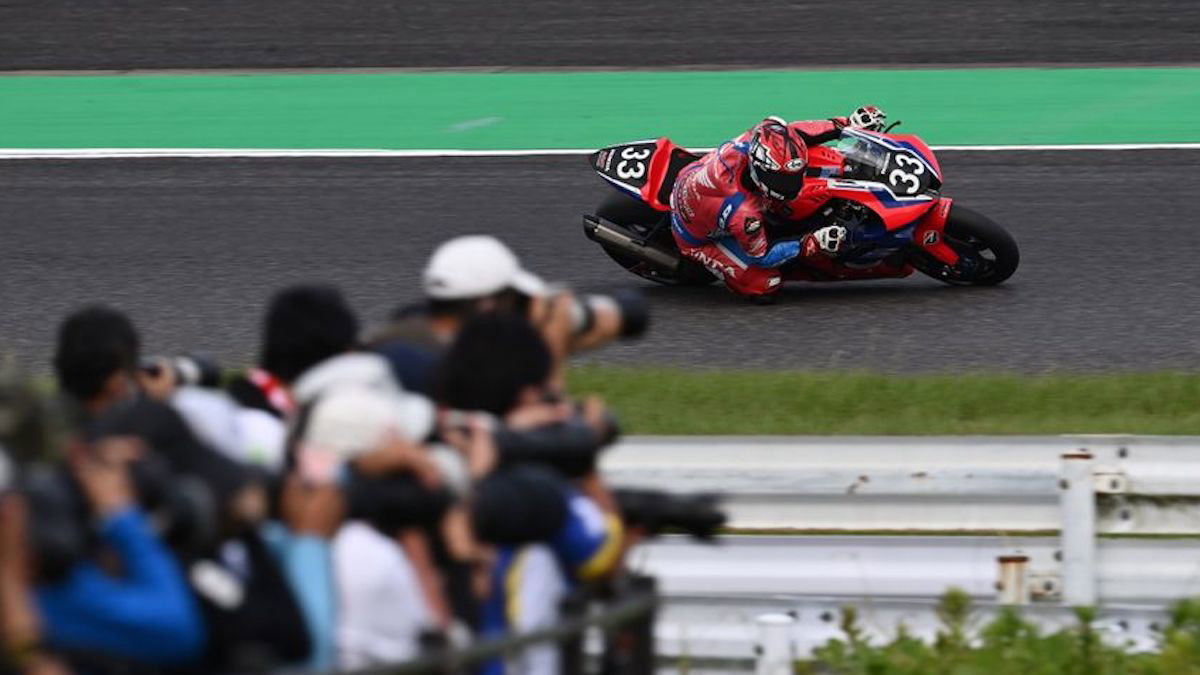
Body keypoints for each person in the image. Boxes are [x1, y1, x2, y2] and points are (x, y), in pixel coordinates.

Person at [370, 235, 647, 393]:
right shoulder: (461, 371)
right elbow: (554, 435)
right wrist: (554, 339)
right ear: (489, 305)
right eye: (517, 301)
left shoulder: (393, 335)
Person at [669, 106, 888, 300]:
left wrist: (846, 124)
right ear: (759, 170)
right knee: (765, 284)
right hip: (696, 237)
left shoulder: (763, 134)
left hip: (697, 176)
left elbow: (797, 132)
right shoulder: (744, 214)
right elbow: (762, 256)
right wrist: (809, 243)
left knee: (813, 155)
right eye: (782, 180)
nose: (792, 184)